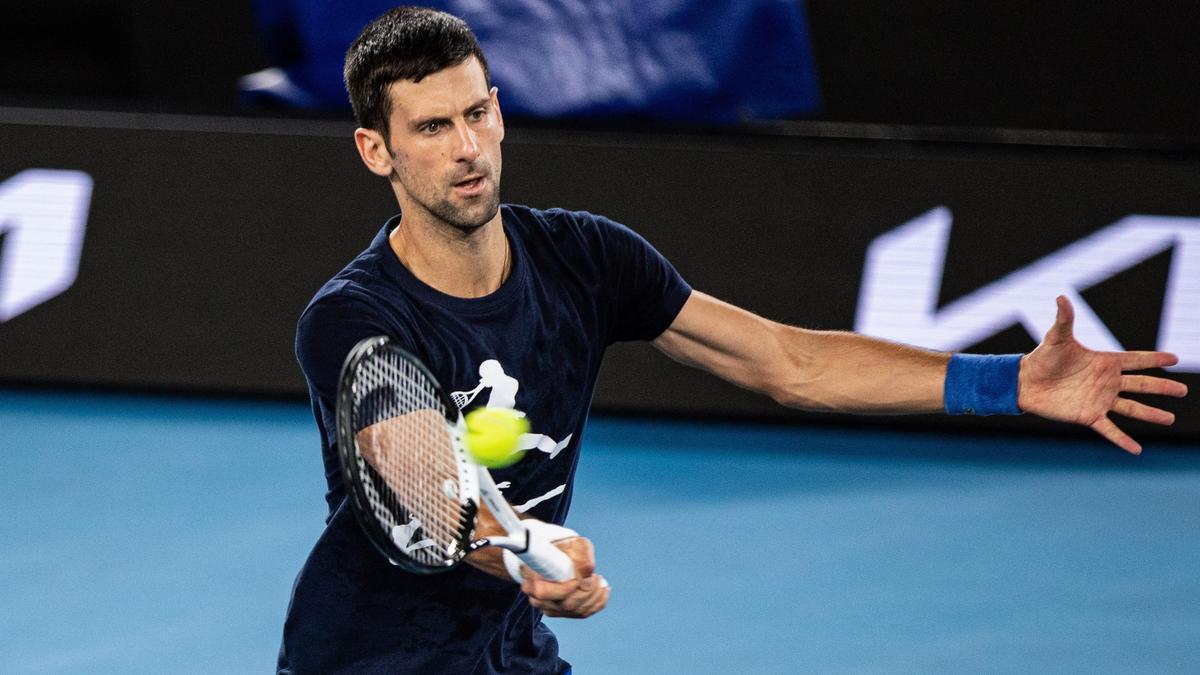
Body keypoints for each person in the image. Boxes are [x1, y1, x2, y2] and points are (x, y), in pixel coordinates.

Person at [278, 7, 1188, 674]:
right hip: (367, 660)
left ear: (501, 110)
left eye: (477, 113)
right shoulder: (354, 320)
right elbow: (427, 487)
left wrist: (1008, 383)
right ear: (376, 150)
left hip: (509, 653)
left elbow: (787, 362)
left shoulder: (585, 258)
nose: (466, 147)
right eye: (432, 128)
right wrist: (526, 549)